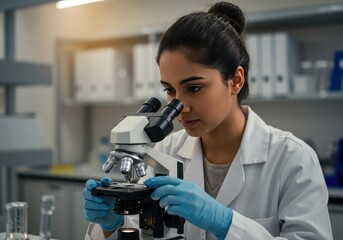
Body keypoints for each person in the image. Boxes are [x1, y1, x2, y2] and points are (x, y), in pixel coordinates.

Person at [82, 2, 333, 239]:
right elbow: (139, 228)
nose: (180, 107)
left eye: (193, 88)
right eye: (170, 91)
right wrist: (111, 225)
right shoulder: (166, 150)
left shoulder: (292, 159)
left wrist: (224, 222)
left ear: (235, 80)